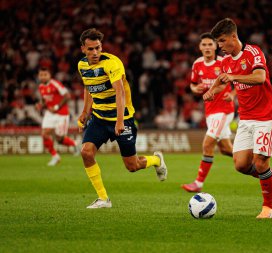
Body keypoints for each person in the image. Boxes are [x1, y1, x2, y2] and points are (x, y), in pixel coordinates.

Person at [204, 18, 272, 219]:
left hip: (266, 117)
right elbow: (222, 77)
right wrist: (212, 91)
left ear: (234, 36)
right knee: (241, 165)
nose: (220, 46)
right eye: (218, 43)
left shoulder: (253, 53)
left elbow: (259, 78)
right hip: (246, 118)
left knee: (260, 163)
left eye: (223, 41)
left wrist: (234, 78)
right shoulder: (226, 61)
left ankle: (268, 208)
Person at [77, 28, 167, 209]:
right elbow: (88, 88)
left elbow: (119, 91)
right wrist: (85, 113)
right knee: (86, 152)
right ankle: (103, 199)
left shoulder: (112, 63)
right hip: (100, 118)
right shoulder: (82, 66)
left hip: (122, 118)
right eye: (91, 49)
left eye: (98, 48)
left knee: (132, 166)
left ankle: (156, 160)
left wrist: (119, 120)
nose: (95, 52)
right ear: (83, 49)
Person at [181, 33, 235, 192]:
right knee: (226, 149)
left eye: (210, 45)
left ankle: (198, 183)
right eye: (204, 45)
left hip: (224, 110)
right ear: (200, 47)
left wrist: (231, 95)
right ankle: (253, 160)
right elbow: (192, 84)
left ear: (216, 46)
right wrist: (194, 88)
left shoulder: (224, 62)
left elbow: (240, 78)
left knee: (207, 144)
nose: (207, 48)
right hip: (210, 111)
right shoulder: (197, 64)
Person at [37, 67, 79, 166]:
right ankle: (55, 156)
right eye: (41, 75)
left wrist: (57, 106)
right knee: (44, 134)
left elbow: (67, 96)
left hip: (62, 114)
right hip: (50, 114)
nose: (43, 77)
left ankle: (75, 144)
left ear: (49, 75)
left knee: (59, 139)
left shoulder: (55, 84)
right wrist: (40, 105)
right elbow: (44, 100)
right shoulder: (41, 87)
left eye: (45, 75)